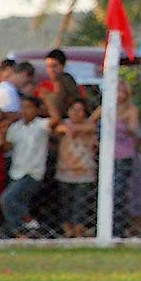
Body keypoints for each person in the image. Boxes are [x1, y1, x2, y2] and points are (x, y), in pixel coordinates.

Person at [1, 96, 51, 239]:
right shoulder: (15, 127)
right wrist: (3, 133)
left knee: (7, 199)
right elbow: (7, 147)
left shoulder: (41, 124)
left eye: (29, 107)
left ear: (36, 109)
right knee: (17, 202)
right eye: (22, 107)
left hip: (33, 172)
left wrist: (49, 100)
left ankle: (28, 224)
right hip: (16, 171)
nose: (25, 111)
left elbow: (55, 120)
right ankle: (22, 233)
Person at [54, 98, 98, 238]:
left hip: (84, 172)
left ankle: (79, 230)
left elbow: (91, 128)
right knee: (65, 203)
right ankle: (67, 230)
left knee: (81, 204)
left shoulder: (89, 126)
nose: (76, 113)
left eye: (79, 110)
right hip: (65, 171)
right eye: (73, 109)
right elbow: (58, 129)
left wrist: (75, 129)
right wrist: (69, 128)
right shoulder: (63, 125)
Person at [110, 79, 141, 238]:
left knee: (120, 192)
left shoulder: (132, 110)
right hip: (107, 158)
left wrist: (122, 121)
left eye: (122, 91)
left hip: (124, 156)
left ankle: (118, 229)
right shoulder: (106, 108)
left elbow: (133, 130)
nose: (119, 94)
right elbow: (91, 122)